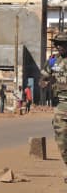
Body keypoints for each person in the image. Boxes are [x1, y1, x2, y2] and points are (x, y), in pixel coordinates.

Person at [41, 32, 67, 184]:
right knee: (61, 139)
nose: (58, 46)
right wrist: (44, 82)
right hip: (61, 105)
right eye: (56, 43)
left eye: (62, 43)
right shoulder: (52, 62)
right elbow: (43, 78)